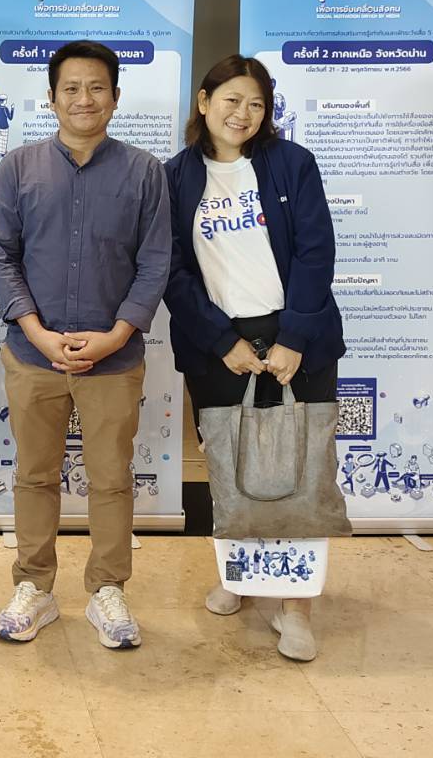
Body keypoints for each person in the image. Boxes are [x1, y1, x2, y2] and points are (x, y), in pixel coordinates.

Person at [0, 40, 171, 650]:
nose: (83, 99)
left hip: (114, 359)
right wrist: (37, 331)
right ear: (51, 97)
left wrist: (117, 334)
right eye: (71, 88)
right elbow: (1, 254)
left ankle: (107, 590)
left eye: (96, 88)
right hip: (32, 354)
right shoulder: (18, 167)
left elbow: (156, 261)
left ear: (115, 97)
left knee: (111, 478)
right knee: (35, 475)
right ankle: (34, 587)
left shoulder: (144, 171)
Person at [162, 53, 346, 662]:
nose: (243, 113)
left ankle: (296, 606)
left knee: (302, 471)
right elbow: (173, 270)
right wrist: (222, 342)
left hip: (297, 337)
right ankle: (239, 574)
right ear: (203, 102)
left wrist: (294, 337)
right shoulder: (174, 177)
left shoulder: (292, 163)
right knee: (231, 466)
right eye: (232, 100)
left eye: (257, 104)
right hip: (219, 344)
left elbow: (316, 252)